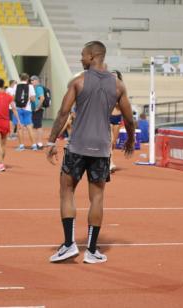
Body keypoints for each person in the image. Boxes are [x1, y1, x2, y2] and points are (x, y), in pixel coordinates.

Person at [46, 41, 135, 264]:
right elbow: (129, 118)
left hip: (77, 145)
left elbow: (62, 113)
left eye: (83, 55)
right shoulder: (118, 85)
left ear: (93, 56)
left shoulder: (79, 81)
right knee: (97, 197)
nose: (81, 59)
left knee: (67, 191)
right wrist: (131, 140)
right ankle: (92, 250)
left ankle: (69, 245)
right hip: (101, 148)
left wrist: (51, 141)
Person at [0, 78, 20, 171]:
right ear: (3, 86)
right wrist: (19, 121)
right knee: (3, 145)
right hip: (6, 122)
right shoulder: (9, 96)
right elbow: (14, 109)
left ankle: (1, 164)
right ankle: (1, 163)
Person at [8, 73, 36, 151]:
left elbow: (12, 98)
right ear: (27, 79)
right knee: (29, 127)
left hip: (18, 109)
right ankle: (34, 145)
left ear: (20, 78)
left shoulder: (16, 86)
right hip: (27, 109)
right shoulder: (30, 86)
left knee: (19, 127)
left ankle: (21, 145)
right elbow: (33, 99)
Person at [109, 70, 123, 171]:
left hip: (117, 118)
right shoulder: (107, 88)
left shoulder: (122, 89)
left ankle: (108, 159)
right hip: (108, 117)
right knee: (109, 141)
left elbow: (122, 105)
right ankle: (110, 162)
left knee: (114, 142)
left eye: (115, 76)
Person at [30, 75, 45, 150]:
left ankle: (39, 143)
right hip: (33, 109)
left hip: (37, 109)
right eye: (31, 80)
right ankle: (36, 143)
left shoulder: (39, 88)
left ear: (37, 81)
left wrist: (37, 107)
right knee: (34, 126)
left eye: (33, 80)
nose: (31, 81)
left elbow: (42, 98)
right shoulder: (33, 88)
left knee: (38, 126)